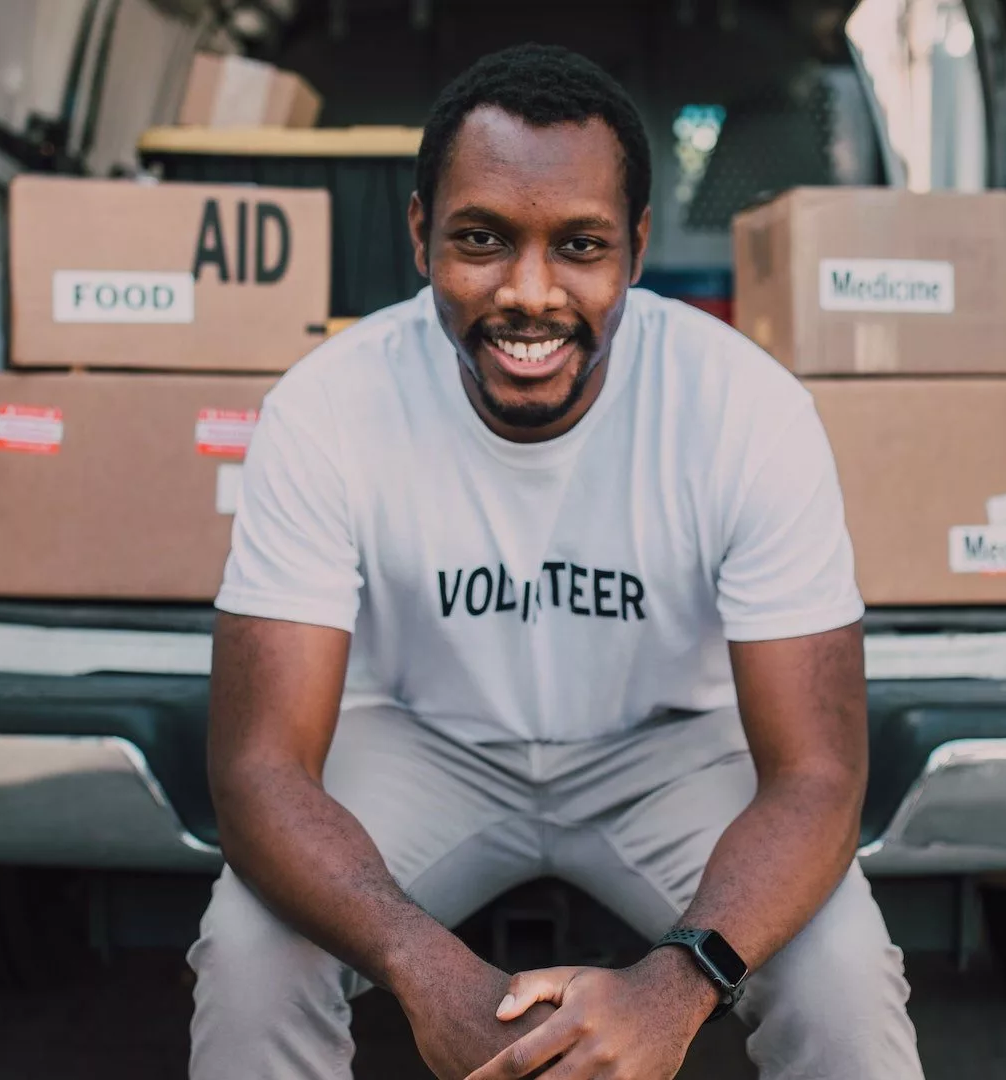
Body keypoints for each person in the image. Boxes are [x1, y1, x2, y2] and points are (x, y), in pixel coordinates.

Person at [190, 42, 924, 1080]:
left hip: (668, 751)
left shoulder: (746, 410)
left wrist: (678, 985)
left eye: (580, 246)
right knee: (250, 951)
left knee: (842, 973)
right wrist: (423, 967)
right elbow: (259, 768)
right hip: (422, 743)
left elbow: (818, 776)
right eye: (481, 239)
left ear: (636, 246)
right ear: (420, 235)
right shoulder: (326, 407)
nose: (529, 294)